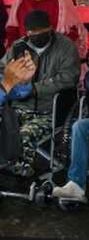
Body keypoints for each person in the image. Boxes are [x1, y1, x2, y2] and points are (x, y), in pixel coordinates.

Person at [0, 10, 79, 176]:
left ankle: (21, 170)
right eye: (32, 33)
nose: (36, 36)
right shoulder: (18, 47)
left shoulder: (65, 47)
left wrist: (35, 89)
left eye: (41, 32)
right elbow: (2, 70)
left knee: (24, 134)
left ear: (50, 28)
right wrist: (12, 84)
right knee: (6, 128)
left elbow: (68, 78)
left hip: (49, 110)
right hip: (19, 107)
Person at [5, 0, 85, 54]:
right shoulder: (20, 1)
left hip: (56, 50)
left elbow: (72, 30)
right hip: (25, 50)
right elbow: (12, 30)